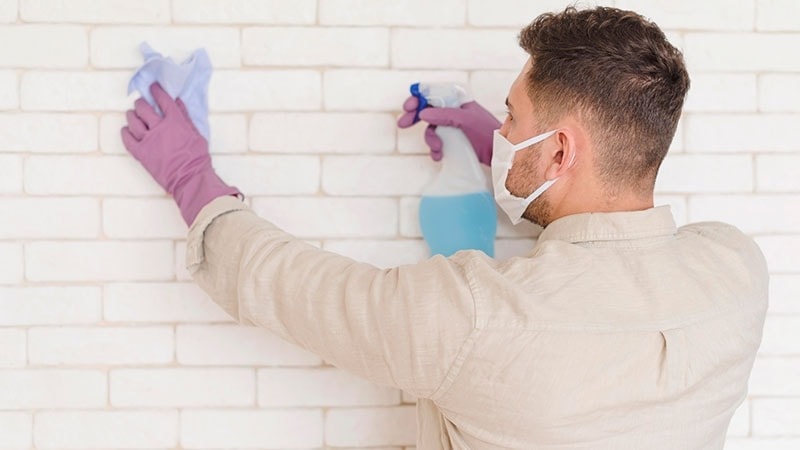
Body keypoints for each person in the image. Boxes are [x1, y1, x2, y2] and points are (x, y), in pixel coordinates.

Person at [121, 6, 768, 450]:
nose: (504, 132)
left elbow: (291, 286)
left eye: (511, 119)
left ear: (560, 151)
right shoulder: (737, 270)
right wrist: (504, 159)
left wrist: (190, 176)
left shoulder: (474, 318)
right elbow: (611, 249)